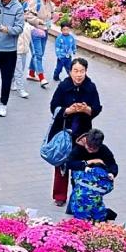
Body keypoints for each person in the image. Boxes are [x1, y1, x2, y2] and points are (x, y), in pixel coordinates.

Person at [47, 57, 102, 206]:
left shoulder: (90, 87)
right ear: (70, 72)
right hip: (64, 130)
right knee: (62, 163)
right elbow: (54, 106)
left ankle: (78, 195)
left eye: (82, 71)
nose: (79, 74)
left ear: (86, 72)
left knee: (80, 164)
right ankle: (60, 196)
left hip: (83, 132)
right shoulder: (63, 86)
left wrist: (87, 109)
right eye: (76, 71)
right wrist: (68, 110)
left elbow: (97, 107)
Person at [66, 128, 119, 222]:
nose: (90, 150)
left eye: (94, 149)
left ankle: (89, 214)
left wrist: (112, 173)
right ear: (85, 141)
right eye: (89, 147)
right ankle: (74, 213)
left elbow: (112, 163)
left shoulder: (104, 150)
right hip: (80, 177)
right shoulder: (78, 148)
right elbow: (69, 163)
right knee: (78, 195)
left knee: (91, 197)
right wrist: (87, 163)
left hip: (97, 180)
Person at [26, 0, 56, 87]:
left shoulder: (49, 3)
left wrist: (56, 17)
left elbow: (51, 15)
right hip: (35, 31)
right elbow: (28, 16)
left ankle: (31, 73)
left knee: (39, 53)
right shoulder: (35, 1)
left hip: (44, 31)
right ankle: (41, 77)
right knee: (38, 54)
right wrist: (40, 22)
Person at [12, 2, 31, 100]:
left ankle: (11, 82)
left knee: (20, 69)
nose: (27, 14)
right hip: (17, 51)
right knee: (19, 71)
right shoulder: (16, 24)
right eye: (25, 12)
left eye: (28, 12)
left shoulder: (28, 25)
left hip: (25, 51)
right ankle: (21, 89)